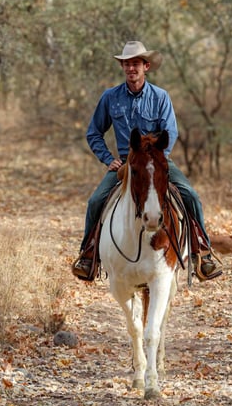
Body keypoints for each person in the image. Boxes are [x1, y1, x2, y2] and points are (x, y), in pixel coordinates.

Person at [72, 41, 222, 283]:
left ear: (146, 66)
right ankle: (89, 255)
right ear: (123, 66)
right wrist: (109, 159)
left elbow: (170, 132)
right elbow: (93, 133)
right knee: (96, 201)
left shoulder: (161, 97)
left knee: (190, 196)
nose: (131, 68)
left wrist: (158, 158)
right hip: (126, 164)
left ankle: (202, 253)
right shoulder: (110, 98)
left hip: (156, 162)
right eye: (127, 64)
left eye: (136, 64)